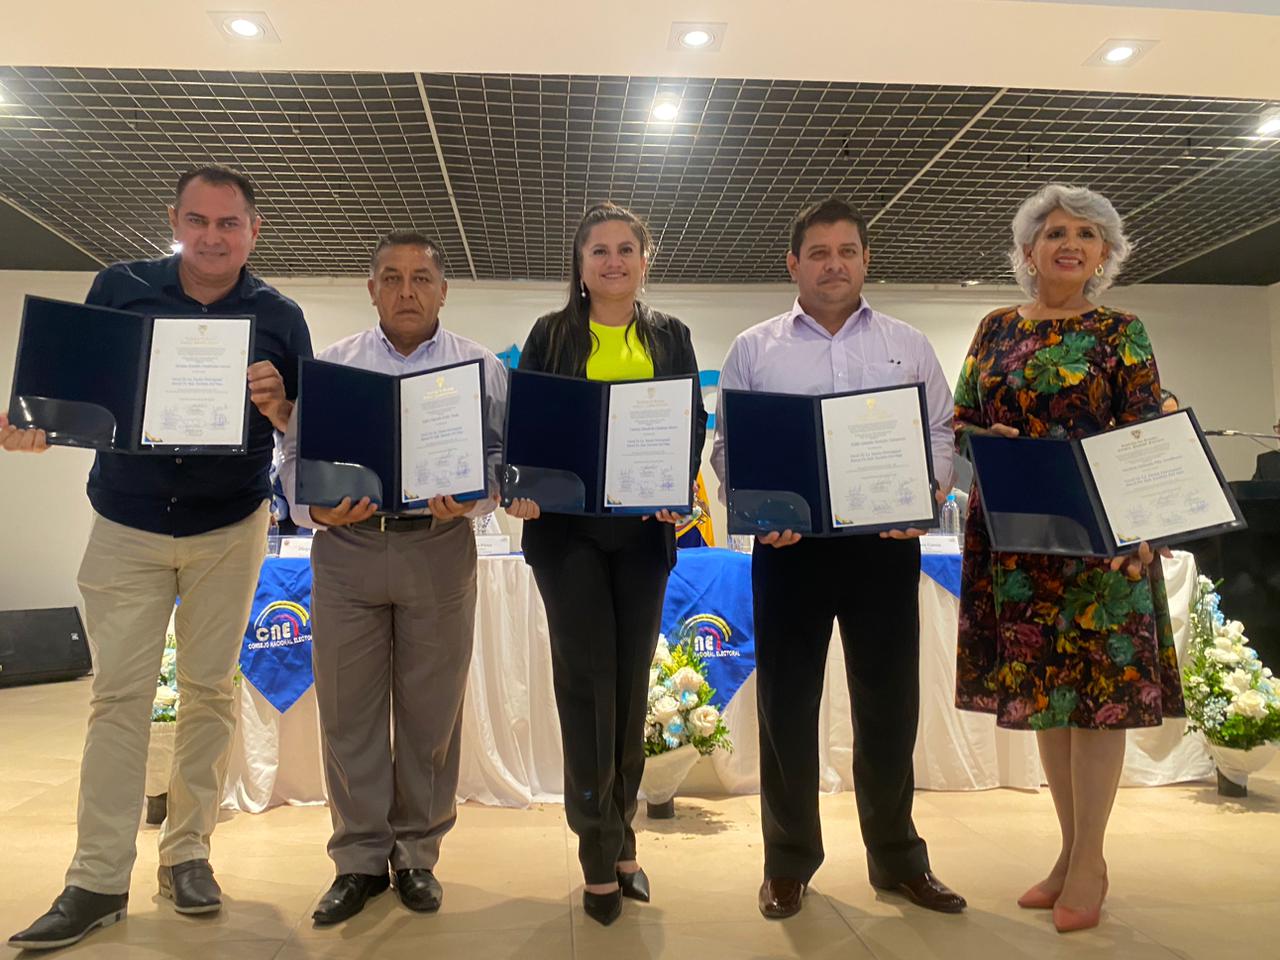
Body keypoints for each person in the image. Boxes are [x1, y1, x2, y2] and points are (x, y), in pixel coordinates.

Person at [4, 166, 313, 950]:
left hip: (229, 525)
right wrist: (35, 427)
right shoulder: (120, 288)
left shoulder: (280, 316)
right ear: (174, 220)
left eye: (230, 223)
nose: (213, 237)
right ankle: (96, 879)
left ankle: (188, 856)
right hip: (127, 520)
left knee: (209, 694)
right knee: (118, 700)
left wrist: (281, 407)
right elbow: (74, 394)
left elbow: (309, 431)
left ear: (255, 230)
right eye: (198, 220)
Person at [711, 198, 966, 920]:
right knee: (786, 708)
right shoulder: (754, 349)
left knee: (889, 707)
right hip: (788, 552)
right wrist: (760, 511)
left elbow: (940, 431)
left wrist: (925, 492)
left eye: (847, 251)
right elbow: (729, 447)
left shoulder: (907, 345)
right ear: (793, 264)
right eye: (818, 253)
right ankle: (788, 863)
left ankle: (898, 859)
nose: (834, 265)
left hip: (883, 549)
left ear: (865, 260)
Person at [953, 183, 1184, 933]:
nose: (1070, 244)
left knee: (1098, 702)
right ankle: (1067, 850)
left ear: (1105, 254)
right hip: (1018, 539)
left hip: (1100, 543)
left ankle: (1090, 860)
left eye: (1087, 234)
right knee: (1050, 699)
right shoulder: (995, 327)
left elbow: (1146, 431)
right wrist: (985, 441)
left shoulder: (1122, 331)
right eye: (1055, 232)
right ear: (1029, 250)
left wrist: (1146, 524)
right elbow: (960, 420)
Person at [278, 231, 507, 924]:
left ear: (443, 290)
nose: (407, 291)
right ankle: (357, 860)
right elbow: (295, 454)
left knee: (431, 714)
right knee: (347, 711)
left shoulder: (480, 367)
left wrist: (477, 497)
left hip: (438, 546)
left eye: (421, 278)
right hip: (347, 550)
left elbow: (501, 457)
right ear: (371, 288)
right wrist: (312, 508)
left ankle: (415, 855)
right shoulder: (333, 365)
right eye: (392, 277)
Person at [505, 202, 707, 926]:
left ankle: (624, 839)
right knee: (587, 686)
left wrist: (677, 485)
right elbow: (528, 425)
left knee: (627, 686)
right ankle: (597, 853)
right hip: (567, 536)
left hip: (643, 535)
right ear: (581, 264)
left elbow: (691, 422)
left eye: (626, 249)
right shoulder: (551, 334)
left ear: (645, 261)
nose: (614, 261)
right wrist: (521, 486)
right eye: (600, 250)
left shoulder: (671, 336)